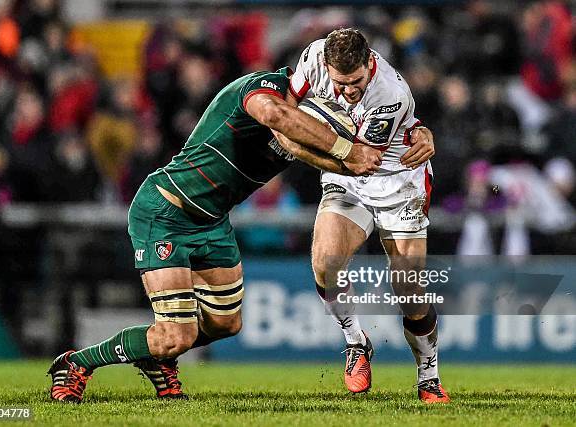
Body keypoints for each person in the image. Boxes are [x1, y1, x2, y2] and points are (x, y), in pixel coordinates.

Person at [47, 66, 383, 403]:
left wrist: (360, 159)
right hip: (167, 212)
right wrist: (348, 152)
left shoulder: (305, 119)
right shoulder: (264, 89)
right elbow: (275, 115)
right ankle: (77, 363)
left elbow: (303, 149)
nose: (344, 91)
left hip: (212, 221)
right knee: (175, 335)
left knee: (226, 324)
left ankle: (157, 356)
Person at [285, 28, 448, 403]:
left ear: (369, 63)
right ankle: (356, 343)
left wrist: (301, 140)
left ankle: (428, 376)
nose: (348, 91)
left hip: (397, 180)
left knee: (409, 288)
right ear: (327, 65)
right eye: (340, 83)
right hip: (347, 178)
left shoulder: (388, 93)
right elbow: (288, 104)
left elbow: (363, 159)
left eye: (356, 82)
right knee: (325, 262)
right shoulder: (312, 57)